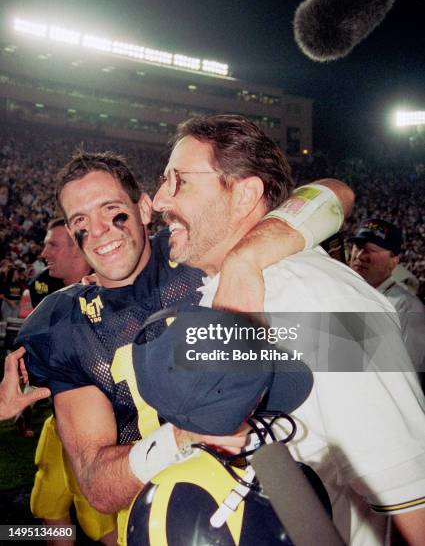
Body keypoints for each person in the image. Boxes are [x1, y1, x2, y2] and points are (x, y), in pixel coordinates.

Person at [17, 148, 350, 541]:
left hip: (263, 506)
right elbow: (98, 484)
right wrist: (185, 434)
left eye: (111, 210)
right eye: (81, 221)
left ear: (143, 208)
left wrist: (247, 256)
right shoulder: (65, 322)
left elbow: (335, 192)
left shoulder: (194, 250)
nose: (100, 230)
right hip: (155, 524)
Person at [150, 114, 425, 545]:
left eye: (178, 181)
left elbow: (413, 499)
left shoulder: (318, 300)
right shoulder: (215, 288)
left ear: (244, 195)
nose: (156, 200)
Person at [28, 218, 116, 546]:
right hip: (59, 417)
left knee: (100, 521)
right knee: (47, 500)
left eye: (53, 244)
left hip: (94, 422)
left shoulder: (110, 293)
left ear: (78, 251)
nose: (44, 251)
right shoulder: (49, 291)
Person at [349, 218, 425, 373]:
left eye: (373, 250)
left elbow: (409, 372)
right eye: (358, 246)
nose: (361, 255)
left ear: (393, 262)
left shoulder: (407, 307)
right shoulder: (340, 291)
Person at [0, 347, 50, 421]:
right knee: (23, 405)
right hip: (32, 377)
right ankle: (24, 428)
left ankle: (25, 427)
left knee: (23, 405)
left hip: (34, 375)